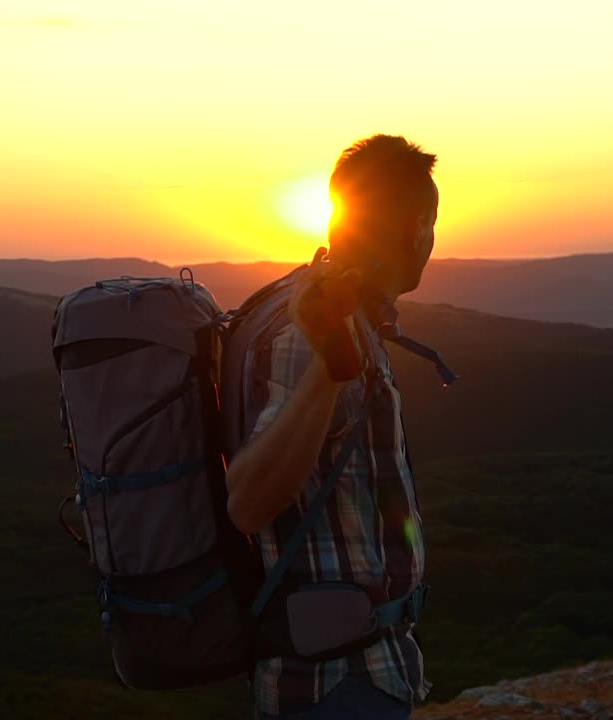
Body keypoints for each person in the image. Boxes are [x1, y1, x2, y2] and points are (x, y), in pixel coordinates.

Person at [225, 134, 439, 720]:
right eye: (431, 222)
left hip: (355, 672)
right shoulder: (310, 329)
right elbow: (246, 502)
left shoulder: (332, 312)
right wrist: (329, 367)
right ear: (417, 224)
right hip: (337, 685)